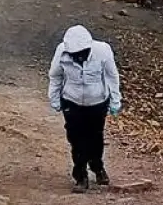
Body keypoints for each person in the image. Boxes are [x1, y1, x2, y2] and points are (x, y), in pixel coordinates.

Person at [48, 25, 123, 192]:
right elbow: (55, 76)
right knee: (76, 139)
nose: (79, 57)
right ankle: (80, 175)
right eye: (75, 55)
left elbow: (112, 75)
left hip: (97, 102)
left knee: (95, 138)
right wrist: (54, 98)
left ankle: (97, 167)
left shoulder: (103, 51)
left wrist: (115, 99)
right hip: (72, 101)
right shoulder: (62, 53)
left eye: (82, 53)